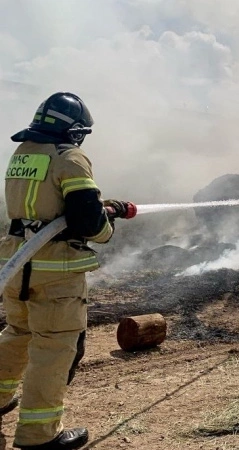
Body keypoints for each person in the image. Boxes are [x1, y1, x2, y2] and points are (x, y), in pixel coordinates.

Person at [0, 92, 131, 449]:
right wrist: (108, 226)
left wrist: (102, 207)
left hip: (16, 263)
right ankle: (39, 437)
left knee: (18, 333)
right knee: (54, 348)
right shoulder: (70, 157)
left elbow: (47, 206)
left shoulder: (23, 153)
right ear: (73, 130)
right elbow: (88, 222)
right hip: (55, 272)